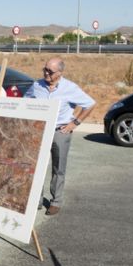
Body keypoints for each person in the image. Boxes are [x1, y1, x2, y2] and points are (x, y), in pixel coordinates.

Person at [25, 57, 95, 215]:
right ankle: (36, 200)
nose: (46, 73)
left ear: (60, 73)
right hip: (40, 131)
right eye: (45, 69)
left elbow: (90, 104)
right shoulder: (36, 86)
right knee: (37, 167)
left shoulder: (70, 88)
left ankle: (55, 201)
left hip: (60, 132)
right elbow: (25, 101)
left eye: (50, 71)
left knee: (58, 168)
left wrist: (74, 123)